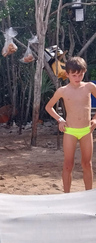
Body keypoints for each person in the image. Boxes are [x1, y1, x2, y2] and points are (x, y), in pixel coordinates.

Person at [45, 56, 96, 193]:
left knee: (87, 164)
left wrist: (95, 119)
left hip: (86, 131)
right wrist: (60, 119)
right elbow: (49, 107)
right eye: (74, 75)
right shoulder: (62, 90)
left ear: (84, 72)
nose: (77, 78)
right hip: (70, 131)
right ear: (67, 74)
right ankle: (66, 195)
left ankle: (88, 195)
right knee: (68, 165)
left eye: (80, 74)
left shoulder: (90, 87)